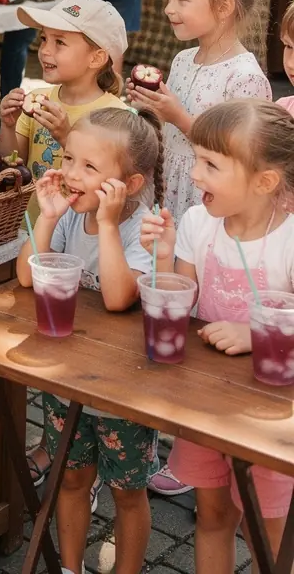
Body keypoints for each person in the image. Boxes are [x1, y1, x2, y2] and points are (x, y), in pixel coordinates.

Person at [127, 0, 272, 499]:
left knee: (211, 310)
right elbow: (172, 135)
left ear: (224, 6)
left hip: (217, 213)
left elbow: (236, 153)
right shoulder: (184, 58)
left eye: (181, 0)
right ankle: (178, 434)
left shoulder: (245, 76)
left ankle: (208, 440)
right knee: (178, 308)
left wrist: (178, 115)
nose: (168, 10)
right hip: (179, 202)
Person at [141, 100, 294, 574]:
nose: (197, 174)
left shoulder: (289, 240)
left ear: (263, 181)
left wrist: (255, 332)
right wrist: (163, 258)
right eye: (197, 158)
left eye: (211, 164)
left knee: (266, 533)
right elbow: (178, 306)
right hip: (205, 406)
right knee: (211, 515)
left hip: (269, 416)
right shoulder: (196, 224)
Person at [19, 108, 163, 574]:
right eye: (67, 158)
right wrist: (46, 216)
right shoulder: (66, 220)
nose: (70, 174)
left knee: (127, 493)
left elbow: (120, 298)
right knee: (72, 479)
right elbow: (27, 275)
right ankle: (70, 567)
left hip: (122, 393)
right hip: (68, 381)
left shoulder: (142, 229)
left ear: (130, 185)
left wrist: (106, 224)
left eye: (90, 167)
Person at [0, 0, 129, 185]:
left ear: (96, 58)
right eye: (44, 38)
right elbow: (11, 168)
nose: (44, 50)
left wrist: (67, 138)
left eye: (59, 42)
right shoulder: (37, 99)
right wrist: (8, 126)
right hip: (30, 215)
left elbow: (108, 180)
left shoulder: (116, 117)